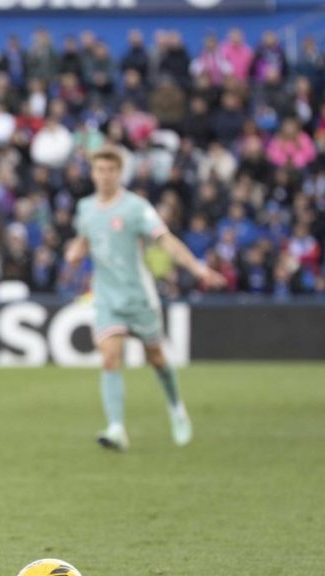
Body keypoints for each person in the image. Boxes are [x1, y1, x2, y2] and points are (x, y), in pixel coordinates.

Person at [64, 147, 226, 451]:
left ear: (119, 173)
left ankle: (177, 408)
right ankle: (116, 428)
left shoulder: (136, 207)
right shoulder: (85, 208)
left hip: (138, 297)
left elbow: (165, 240)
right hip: (106, 297)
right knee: (110, 356)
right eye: (100, 170)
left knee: (157, 359)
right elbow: (85, 238)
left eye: (111, 170)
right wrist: (76, 251)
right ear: (93, 173)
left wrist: (196, 268)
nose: (105, 175)